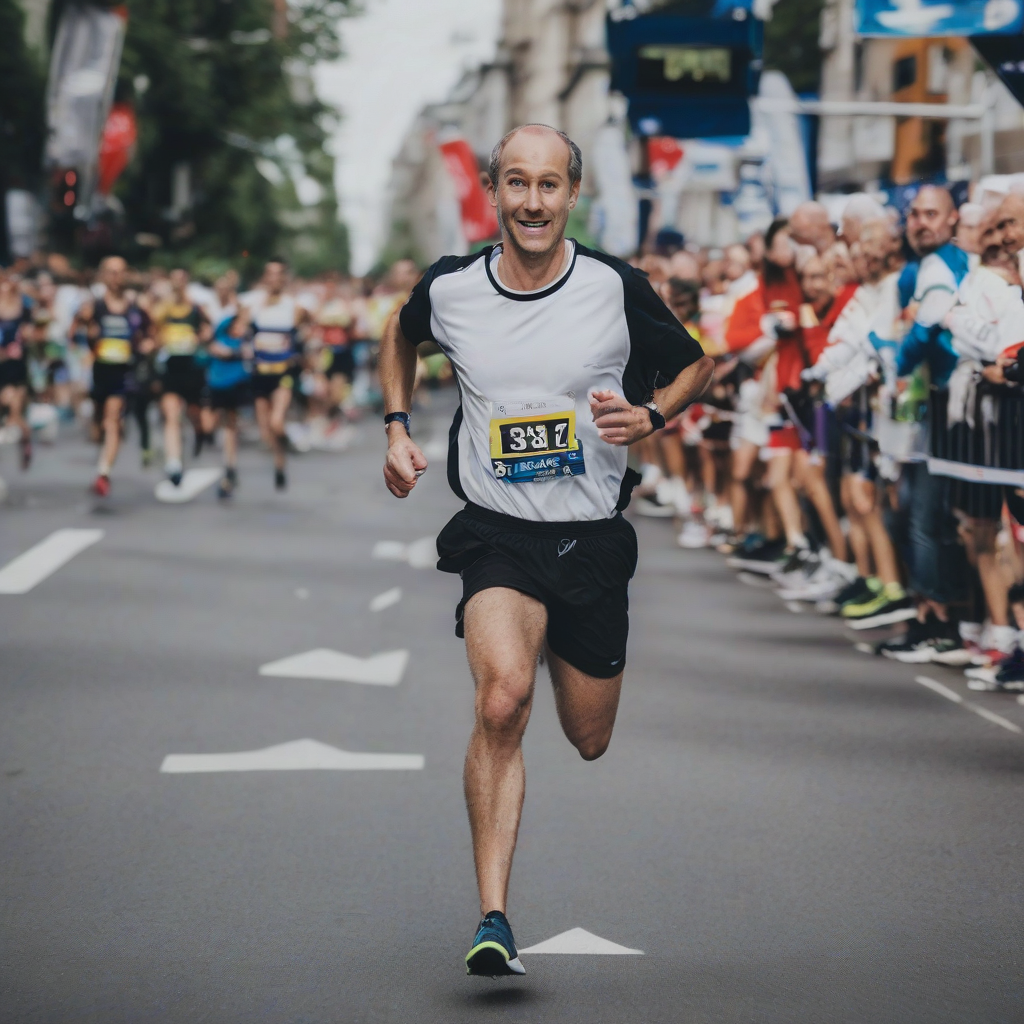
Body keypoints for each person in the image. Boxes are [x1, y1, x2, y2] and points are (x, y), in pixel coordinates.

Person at [378, 123, 712, 977]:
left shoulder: (613, 286)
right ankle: (493, 916)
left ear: (572, 194)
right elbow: (398, 334)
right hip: (496, 532)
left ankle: (566, 637)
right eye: (516, 184)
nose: (532, 201)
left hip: (591, 537)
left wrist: (653, 417)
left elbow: (695, 365)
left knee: (588, 736)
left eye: (549, 185)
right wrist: (395, 426)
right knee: (502, 700)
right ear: (493, 191)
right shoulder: (452, 290)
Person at [73, 256, 152, 497]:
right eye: (111, 272)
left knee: (113, 420)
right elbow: (73, 334)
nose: (116, 277)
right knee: (99, 428)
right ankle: (103, 454)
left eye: (120, 272)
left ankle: (103, 474)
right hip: (100, 372)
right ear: (103, 276)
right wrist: (86, 346)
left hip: (124, 373)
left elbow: (152, 335)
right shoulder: (92, 307)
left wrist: (147, 345)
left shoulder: (136, 308)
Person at [240, 258, 310, 491]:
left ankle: (286, 447)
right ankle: (280, 464)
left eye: (279, 274)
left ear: (285, 278)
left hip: (283, 373)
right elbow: (239, 329)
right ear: (264, 278)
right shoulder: (253, 304)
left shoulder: (294, 306)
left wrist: (302, 346)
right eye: (270, 274)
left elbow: (310, 324)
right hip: (260, 372)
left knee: (276, 421)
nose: (275, 279)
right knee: (265, 431)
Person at [152, 268, 210, 486]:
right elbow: (154, 330)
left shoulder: (195, 307)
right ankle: (174, 463)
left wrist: (200, 337)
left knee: (195, 413)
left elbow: (207, 329)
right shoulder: (164, 308)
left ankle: (200, 432)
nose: (177, 284)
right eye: (173, 280)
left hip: (192, 367)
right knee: (172, 414)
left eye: (181, 280)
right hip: (171, 367)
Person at [201, 307, 252, 499]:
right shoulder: (220, 338)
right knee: (209, 424)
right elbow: (219, 351)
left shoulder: (245, 341)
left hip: (235, 387)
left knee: (231, 425)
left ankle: (230, 467)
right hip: (216, 387)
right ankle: (213, 443)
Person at [0, 272, 33, 469]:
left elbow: (31, 332)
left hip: (17, 368)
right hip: (2, 366)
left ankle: (24, 440)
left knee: (13, 409)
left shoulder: (23, 307)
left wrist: (24, 339)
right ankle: (23, 438)